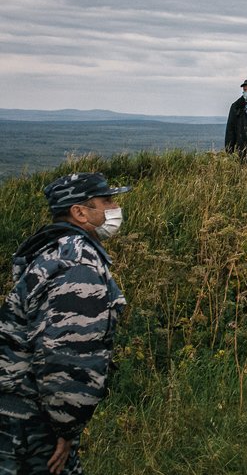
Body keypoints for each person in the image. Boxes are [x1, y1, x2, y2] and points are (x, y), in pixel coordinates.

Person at [0, 172, 131, 475]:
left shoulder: (55, 248)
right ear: (80, 212)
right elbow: (68, 354)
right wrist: (66, 428)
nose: (114, 207)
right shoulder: (77, 262)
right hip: (30, 428)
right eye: (107, 200)